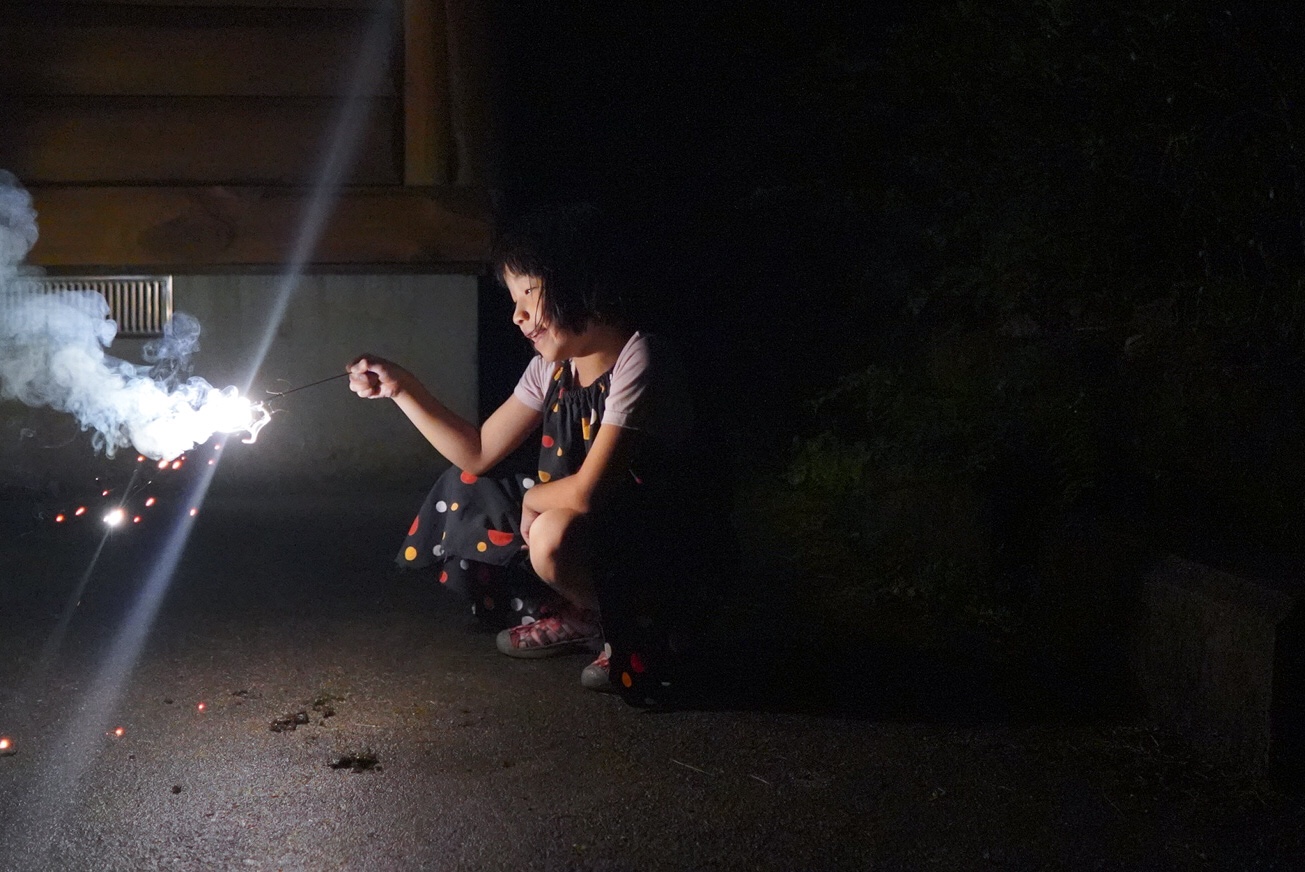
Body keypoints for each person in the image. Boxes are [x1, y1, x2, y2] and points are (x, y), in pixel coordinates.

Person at [347, 205, 703, 701]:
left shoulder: (639, 357)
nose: (516, 315)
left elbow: (588, 493)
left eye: (528, 294)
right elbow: (477, 452)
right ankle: (589, 616)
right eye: (512, 300)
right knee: (467, 486)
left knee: (551, 530)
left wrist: (535, 503)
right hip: (584, 520)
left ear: (576, 281)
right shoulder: (551, 368)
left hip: (651, 532)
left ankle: (645, 624)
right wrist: (403, 388)